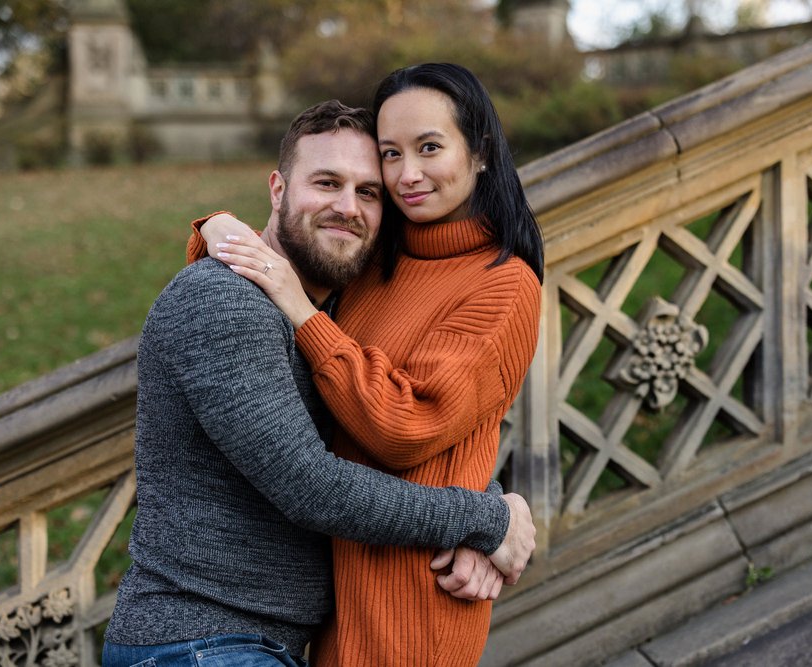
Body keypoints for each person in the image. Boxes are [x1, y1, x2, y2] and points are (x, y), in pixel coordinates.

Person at [101, 99, 536, 667]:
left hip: (262, 644)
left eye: (367, 192)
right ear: (277, 189)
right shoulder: (224, 303)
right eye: (326, 182)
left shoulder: (330, 315)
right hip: (197, 640)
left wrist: (487, 502)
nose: (346, 207)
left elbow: (374, 437)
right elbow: (315, 487)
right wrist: (486, 519)